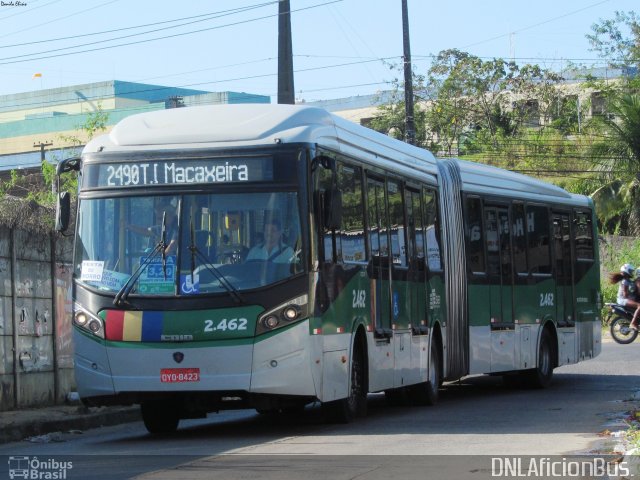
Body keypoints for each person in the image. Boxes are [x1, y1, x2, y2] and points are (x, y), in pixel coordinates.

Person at [609, 263, 640, 330]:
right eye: (631, 271)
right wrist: (632, 299)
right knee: (639, 306)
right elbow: (625, 294)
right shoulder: (625, 281)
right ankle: (633, 323)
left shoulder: (627, 280)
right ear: (627, 270)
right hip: (622, 300)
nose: (632, 272)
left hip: (624, 299)